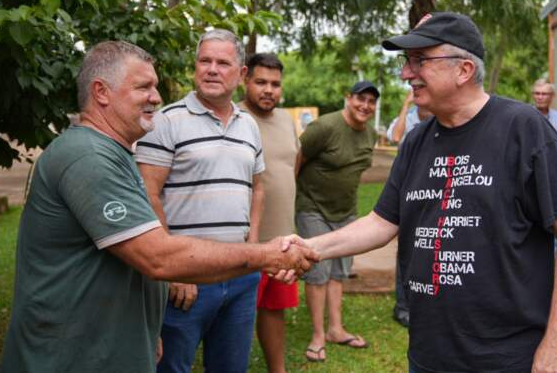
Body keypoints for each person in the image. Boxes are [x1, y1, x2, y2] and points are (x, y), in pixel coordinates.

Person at [286, 12, 557, 372]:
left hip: (507, 356)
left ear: (463, 70)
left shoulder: (524, 128)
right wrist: (311, 247)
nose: (405, 74)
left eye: (419, 61)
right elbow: (381, 222)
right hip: (430, 353)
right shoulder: (417, 141)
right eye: (406, 62)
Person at [0, 41, 317, 373]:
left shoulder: (116, 154)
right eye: (144, 87)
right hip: (70, 358)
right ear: (101, 92)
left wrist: (146, 331)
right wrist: (267, 255)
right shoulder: (88, 157)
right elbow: (157, 256)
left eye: (154, 86)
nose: (156, 97)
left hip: (109, 347)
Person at [134, 30, 266, 373]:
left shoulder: (249, 125)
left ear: (241, 75)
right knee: (171, 368)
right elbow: (147, 194)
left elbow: (259, 189)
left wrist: (251, 250)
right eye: (204, 61)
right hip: (186, 280)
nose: (211, 69)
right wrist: (174, 269)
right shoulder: (165, 121)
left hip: (240, 278)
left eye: (223, 63)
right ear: (194, 68)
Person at [296, 80, 379, 362]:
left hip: (346, 211)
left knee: (339, 273)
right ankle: (318, 335)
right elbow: (298, 159)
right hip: (313, 207)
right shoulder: (325, 127)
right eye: (360, 99)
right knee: (317, 272)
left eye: (371, 101)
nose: (365, 106)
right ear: (348, 98)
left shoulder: (371, 134)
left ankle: (336, 329)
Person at [239, 53, 301, 373]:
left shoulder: (286, 121)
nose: (269, 90)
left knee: (274, 309)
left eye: (275, 84)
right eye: (261, 82)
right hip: (242, 242)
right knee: (233, 314)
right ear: (245, 79)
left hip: (282, 239)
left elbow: (294, 164)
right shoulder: (233, 117)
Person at [386, 90, 432, 328]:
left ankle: (425, 302)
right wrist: (405, 106)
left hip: (432, 189)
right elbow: (395, 136)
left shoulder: (439, 118)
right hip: (408, 189)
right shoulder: (410, 118)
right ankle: (402, 305)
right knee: (406, 247)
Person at [532, 78, 557, 146]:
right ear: (532, 95)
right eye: (537, 93)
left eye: (544, 94)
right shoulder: (524, 117)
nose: (540, 97)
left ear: (552, 96)